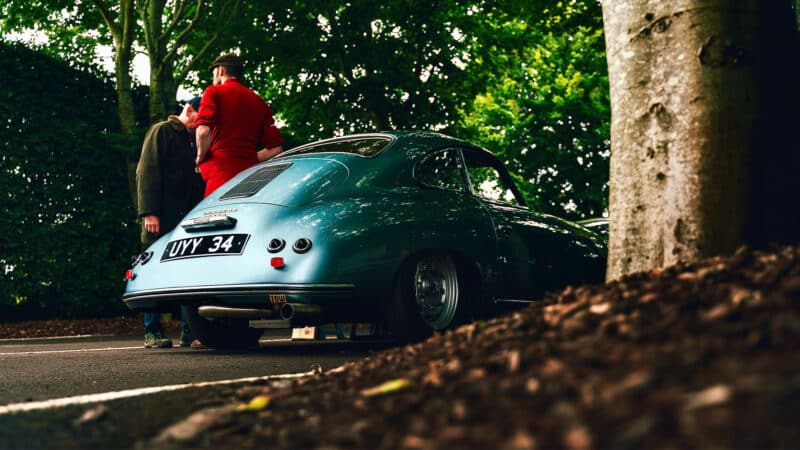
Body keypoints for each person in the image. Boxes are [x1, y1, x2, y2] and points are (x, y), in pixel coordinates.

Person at [136, 97, 206, 348]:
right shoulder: (162, 131)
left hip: (185, 219)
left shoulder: (193, 140)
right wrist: (149, 212)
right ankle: (151, 332)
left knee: (187, 274)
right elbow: (147, 171)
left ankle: (190, 332)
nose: (205, 121)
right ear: (189, 110)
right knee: (154, 271)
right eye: (203, 115)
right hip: (161, 217)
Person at [195, 53, 283, 197]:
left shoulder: (214, 92)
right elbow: (276, 149)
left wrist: (200, 156)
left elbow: (203, 132)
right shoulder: (260, 102)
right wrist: (247, 158)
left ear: (220, 71)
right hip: (249, 179)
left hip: (220, 177)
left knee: (216, 217)